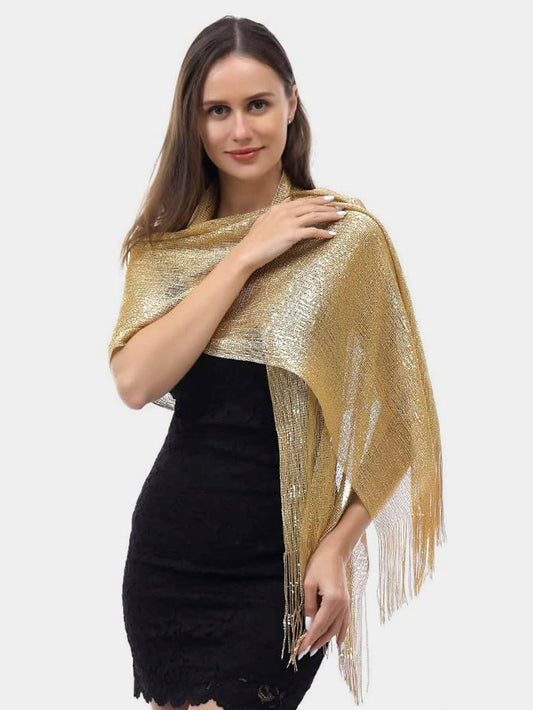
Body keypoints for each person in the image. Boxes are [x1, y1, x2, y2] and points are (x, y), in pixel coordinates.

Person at [108, 14, 444, 710]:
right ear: (193, 122)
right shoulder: (169, 248)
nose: (241, 130)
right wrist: (245, 254)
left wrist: (338, 547)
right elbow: (136, 382)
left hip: (280, 572)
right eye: (217, 111)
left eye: (257, 104)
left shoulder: (344, 241)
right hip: (171, 557)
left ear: (292, 103)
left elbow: (399, 426)